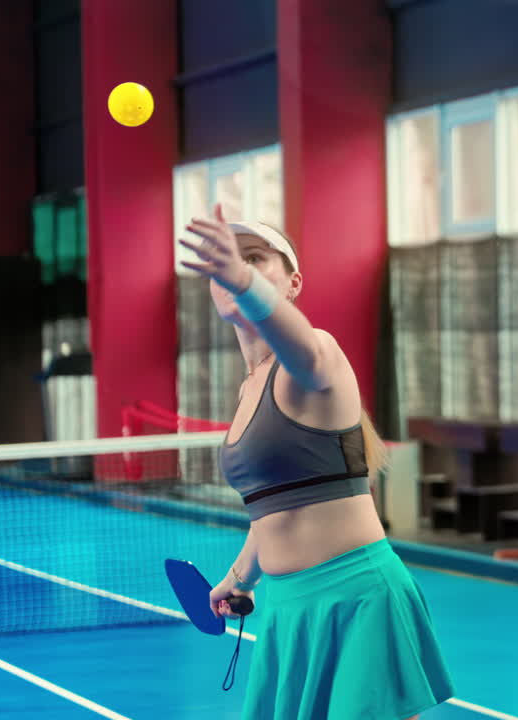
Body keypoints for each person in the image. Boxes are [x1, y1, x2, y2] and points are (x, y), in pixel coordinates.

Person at [179, 205, 453, 720]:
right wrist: (240, 576)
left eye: (256, 259)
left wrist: (240, 279)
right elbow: (272, 509)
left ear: (293, 284)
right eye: (228, 263)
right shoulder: (247, 389)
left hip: (355, 598)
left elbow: (298, 340)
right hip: (289, 608)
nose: (237, 268)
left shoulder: (315, 355)